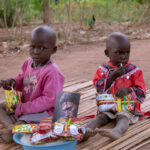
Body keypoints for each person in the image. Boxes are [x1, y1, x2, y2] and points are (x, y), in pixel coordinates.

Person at [0, 25, 64, 143]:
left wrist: (23, 108)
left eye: (42, 48)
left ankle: (13, 130)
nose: (36, 52)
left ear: (53, 50)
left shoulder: (52, 72)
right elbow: (23, 79)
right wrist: (12, 82)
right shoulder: (29, 62)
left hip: (44, 112)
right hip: (25, 106)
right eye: (32, 47)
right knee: (1, 107)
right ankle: (13, 127)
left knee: (24, 121)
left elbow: (49, 100)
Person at [83, 32, 146, 141]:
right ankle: (86, 130)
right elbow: (98, 87)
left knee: (123, 117)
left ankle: (117, 131)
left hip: (126, 108)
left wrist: (128, 90)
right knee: (100, 117)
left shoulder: (134, 71)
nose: (124, 56)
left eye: (127, 53)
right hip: (108, 106)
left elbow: (141, 91)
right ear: (107, 53)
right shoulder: (103, 70)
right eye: (119, 52)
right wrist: (112, 77)